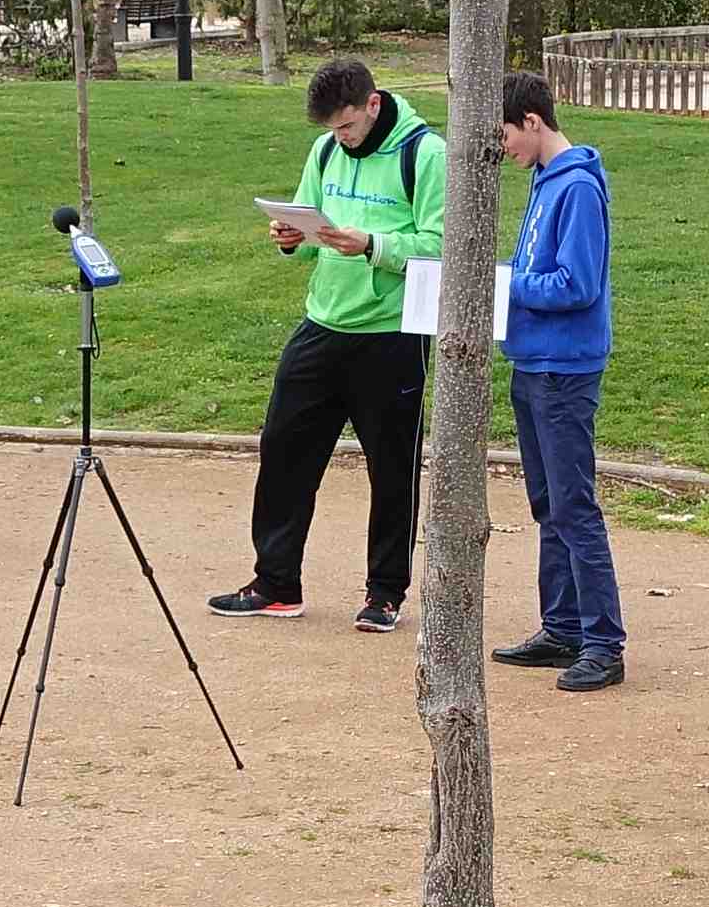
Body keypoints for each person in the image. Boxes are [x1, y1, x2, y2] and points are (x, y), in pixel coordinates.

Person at [212, 58, 444, 632]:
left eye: (346, 126)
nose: (340, 138)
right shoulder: (324, 151)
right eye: (331, 130)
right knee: (284, 450)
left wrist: (373, 245)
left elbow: (442, 244)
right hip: (323, 324)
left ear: (372, 103)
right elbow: (312, 227)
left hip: (392, 334)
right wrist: (292, 237)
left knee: (393, 468)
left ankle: (386, 592)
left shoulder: (427, 155)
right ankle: (275, 582)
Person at [485, 74, 623, 690]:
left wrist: (503, 284)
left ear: (533, 121)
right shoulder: (545, 184)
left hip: (565, 370)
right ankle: (563, 625)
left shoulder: (577, 190)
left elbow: (577, 285)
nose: (505, 147)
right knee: (548, 505)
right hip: (532, 361)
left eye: (507, 134)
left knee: (574, 505)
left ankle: (604, 642)